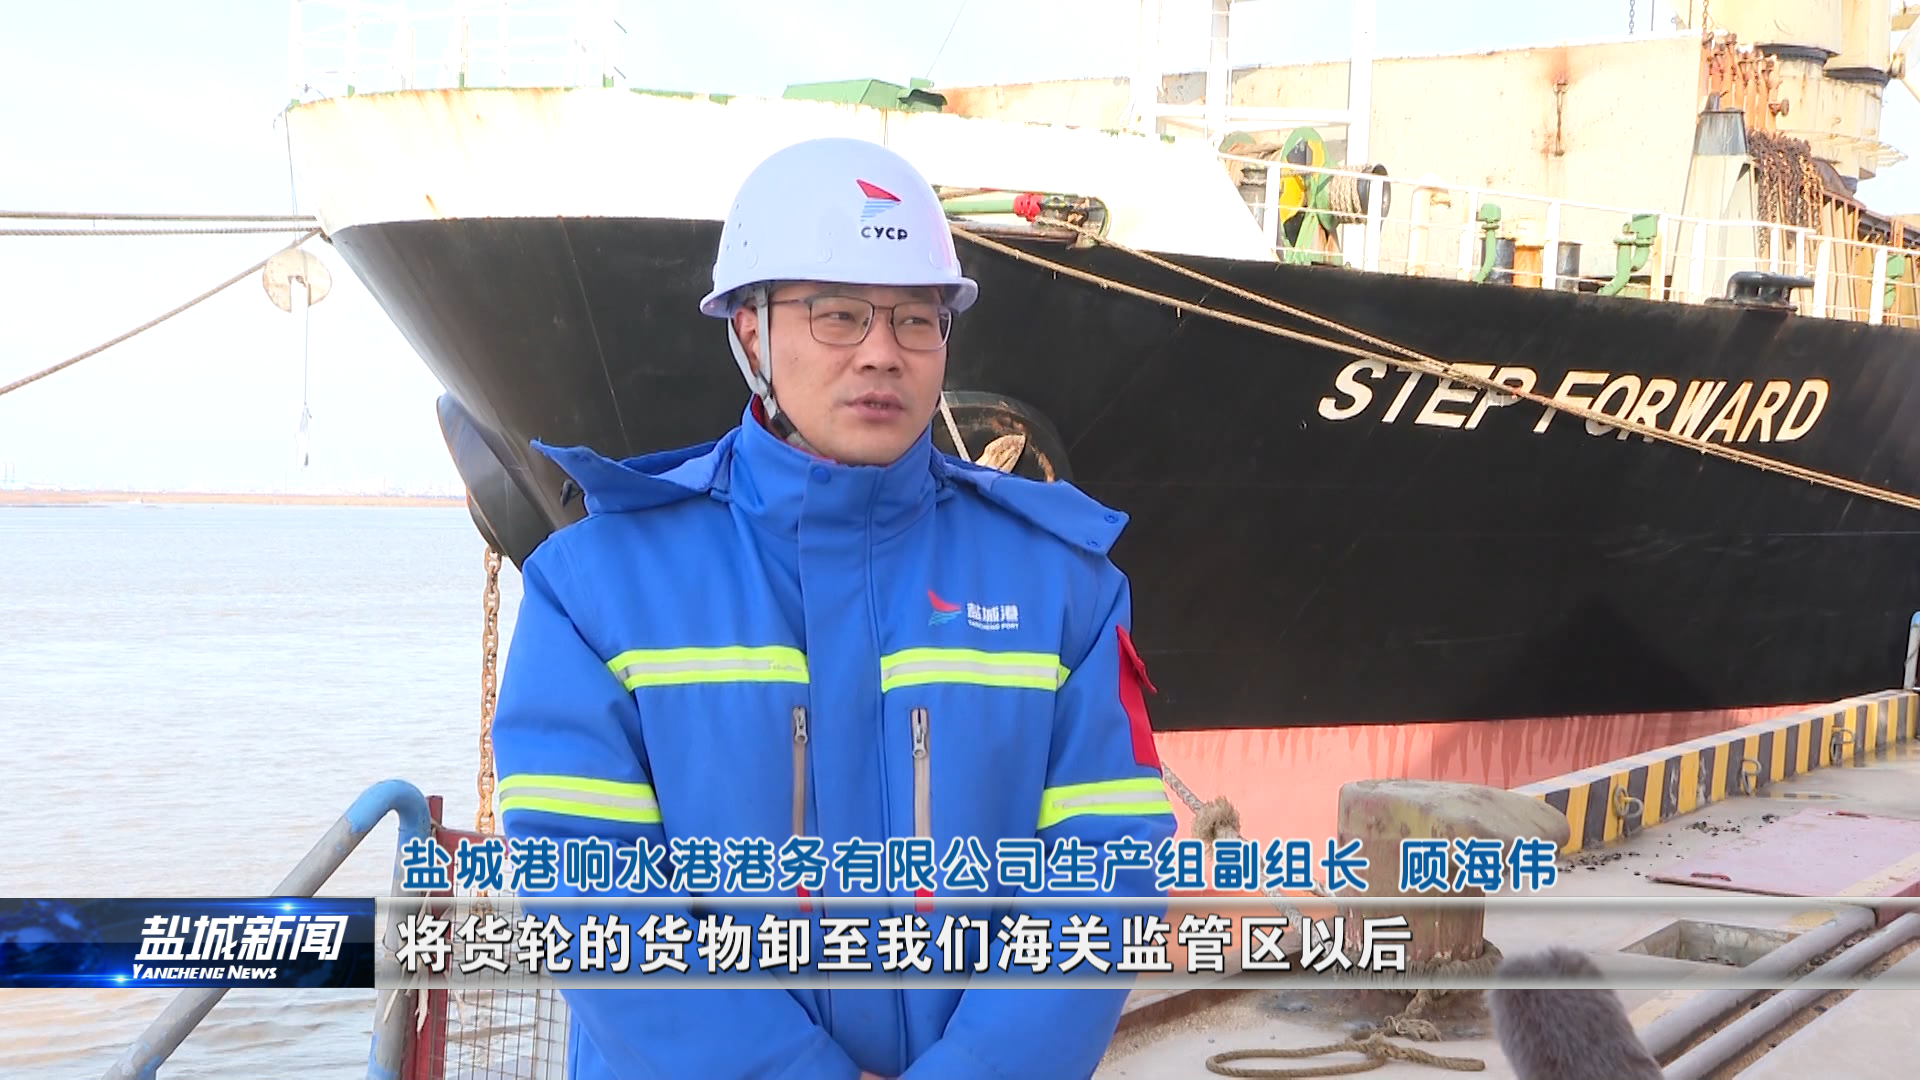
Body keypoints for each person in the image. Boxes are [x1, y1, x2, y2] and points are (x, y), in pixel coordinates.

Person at [489, 135, 1177, 1080]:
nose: (883, 354)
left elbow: (1108, 869)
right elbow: (588, 891)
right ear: (750, 333)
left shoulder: (1065, 587)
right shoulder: (594, 591)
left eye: (917, 319)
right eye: (839, 315)